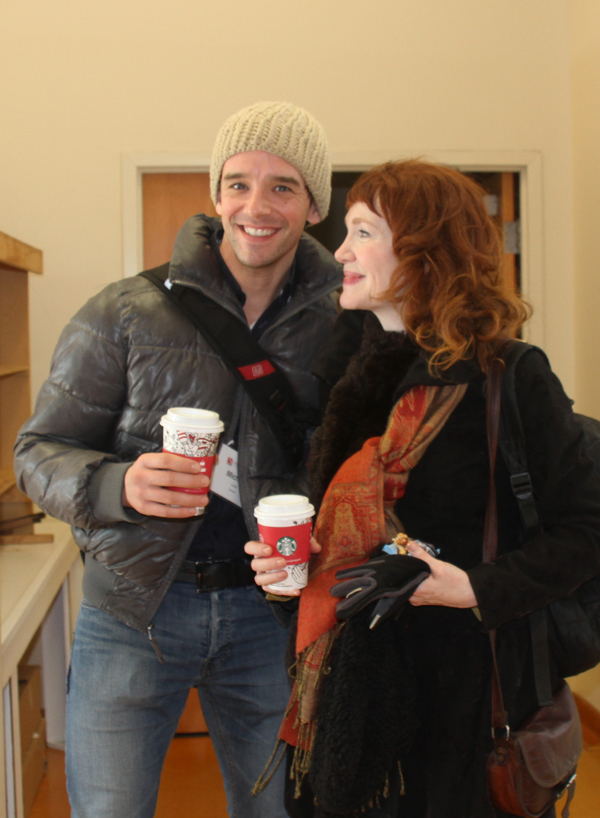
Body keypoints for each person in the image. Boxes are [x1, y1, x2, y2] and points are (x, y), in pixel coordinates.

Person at [14, 101, 342, 818]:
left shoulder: (344, 325)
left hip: (273, 617)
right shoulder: (125, 311)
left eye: (282, 186)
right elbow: (36, 452)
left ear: (314, 205)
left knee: (282, 811)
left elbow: (362, 468)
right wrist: (117, 482)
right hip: (133, 611)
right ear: (216, 194)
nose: (256, 205)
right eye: (238, 183)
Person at [246, 160, 600, 817]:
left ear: (427, 250)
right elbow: (338, 534)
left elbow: (586, 532)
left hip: (465, 708)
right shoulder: (351, 377)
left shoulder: (508, 375)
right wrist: (290, 570)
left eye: (363, 232)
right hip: (349, 702)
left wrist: (470, 585)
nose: (343, 251)